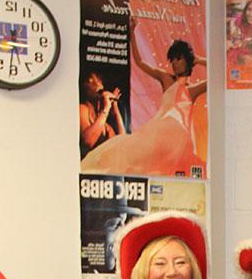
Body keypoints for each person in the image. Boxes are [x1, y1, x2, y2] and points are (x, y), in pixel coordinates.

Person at [81, 21, 208, 177]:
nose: (174, 63)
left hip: (179, 139)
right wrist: (132, 33)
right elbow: (140, 62)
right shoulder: (165, 78)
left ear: (188, 60)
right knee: (125, 157)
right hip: (158, 133)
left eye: (179, 58)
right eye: (172, 59)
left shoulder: (192, 90)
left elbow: (217, 76)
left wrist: (199, 59)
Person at [79, 70, 126, 157]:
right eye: (91, 81)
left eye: (99, 80)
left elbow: (122, 144)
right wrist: (105, 109)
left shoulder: (106, 125)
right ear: (83, 88)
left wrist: (115, 110)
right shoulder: (82, 109)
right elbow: (87, 143)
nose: (97, 83)